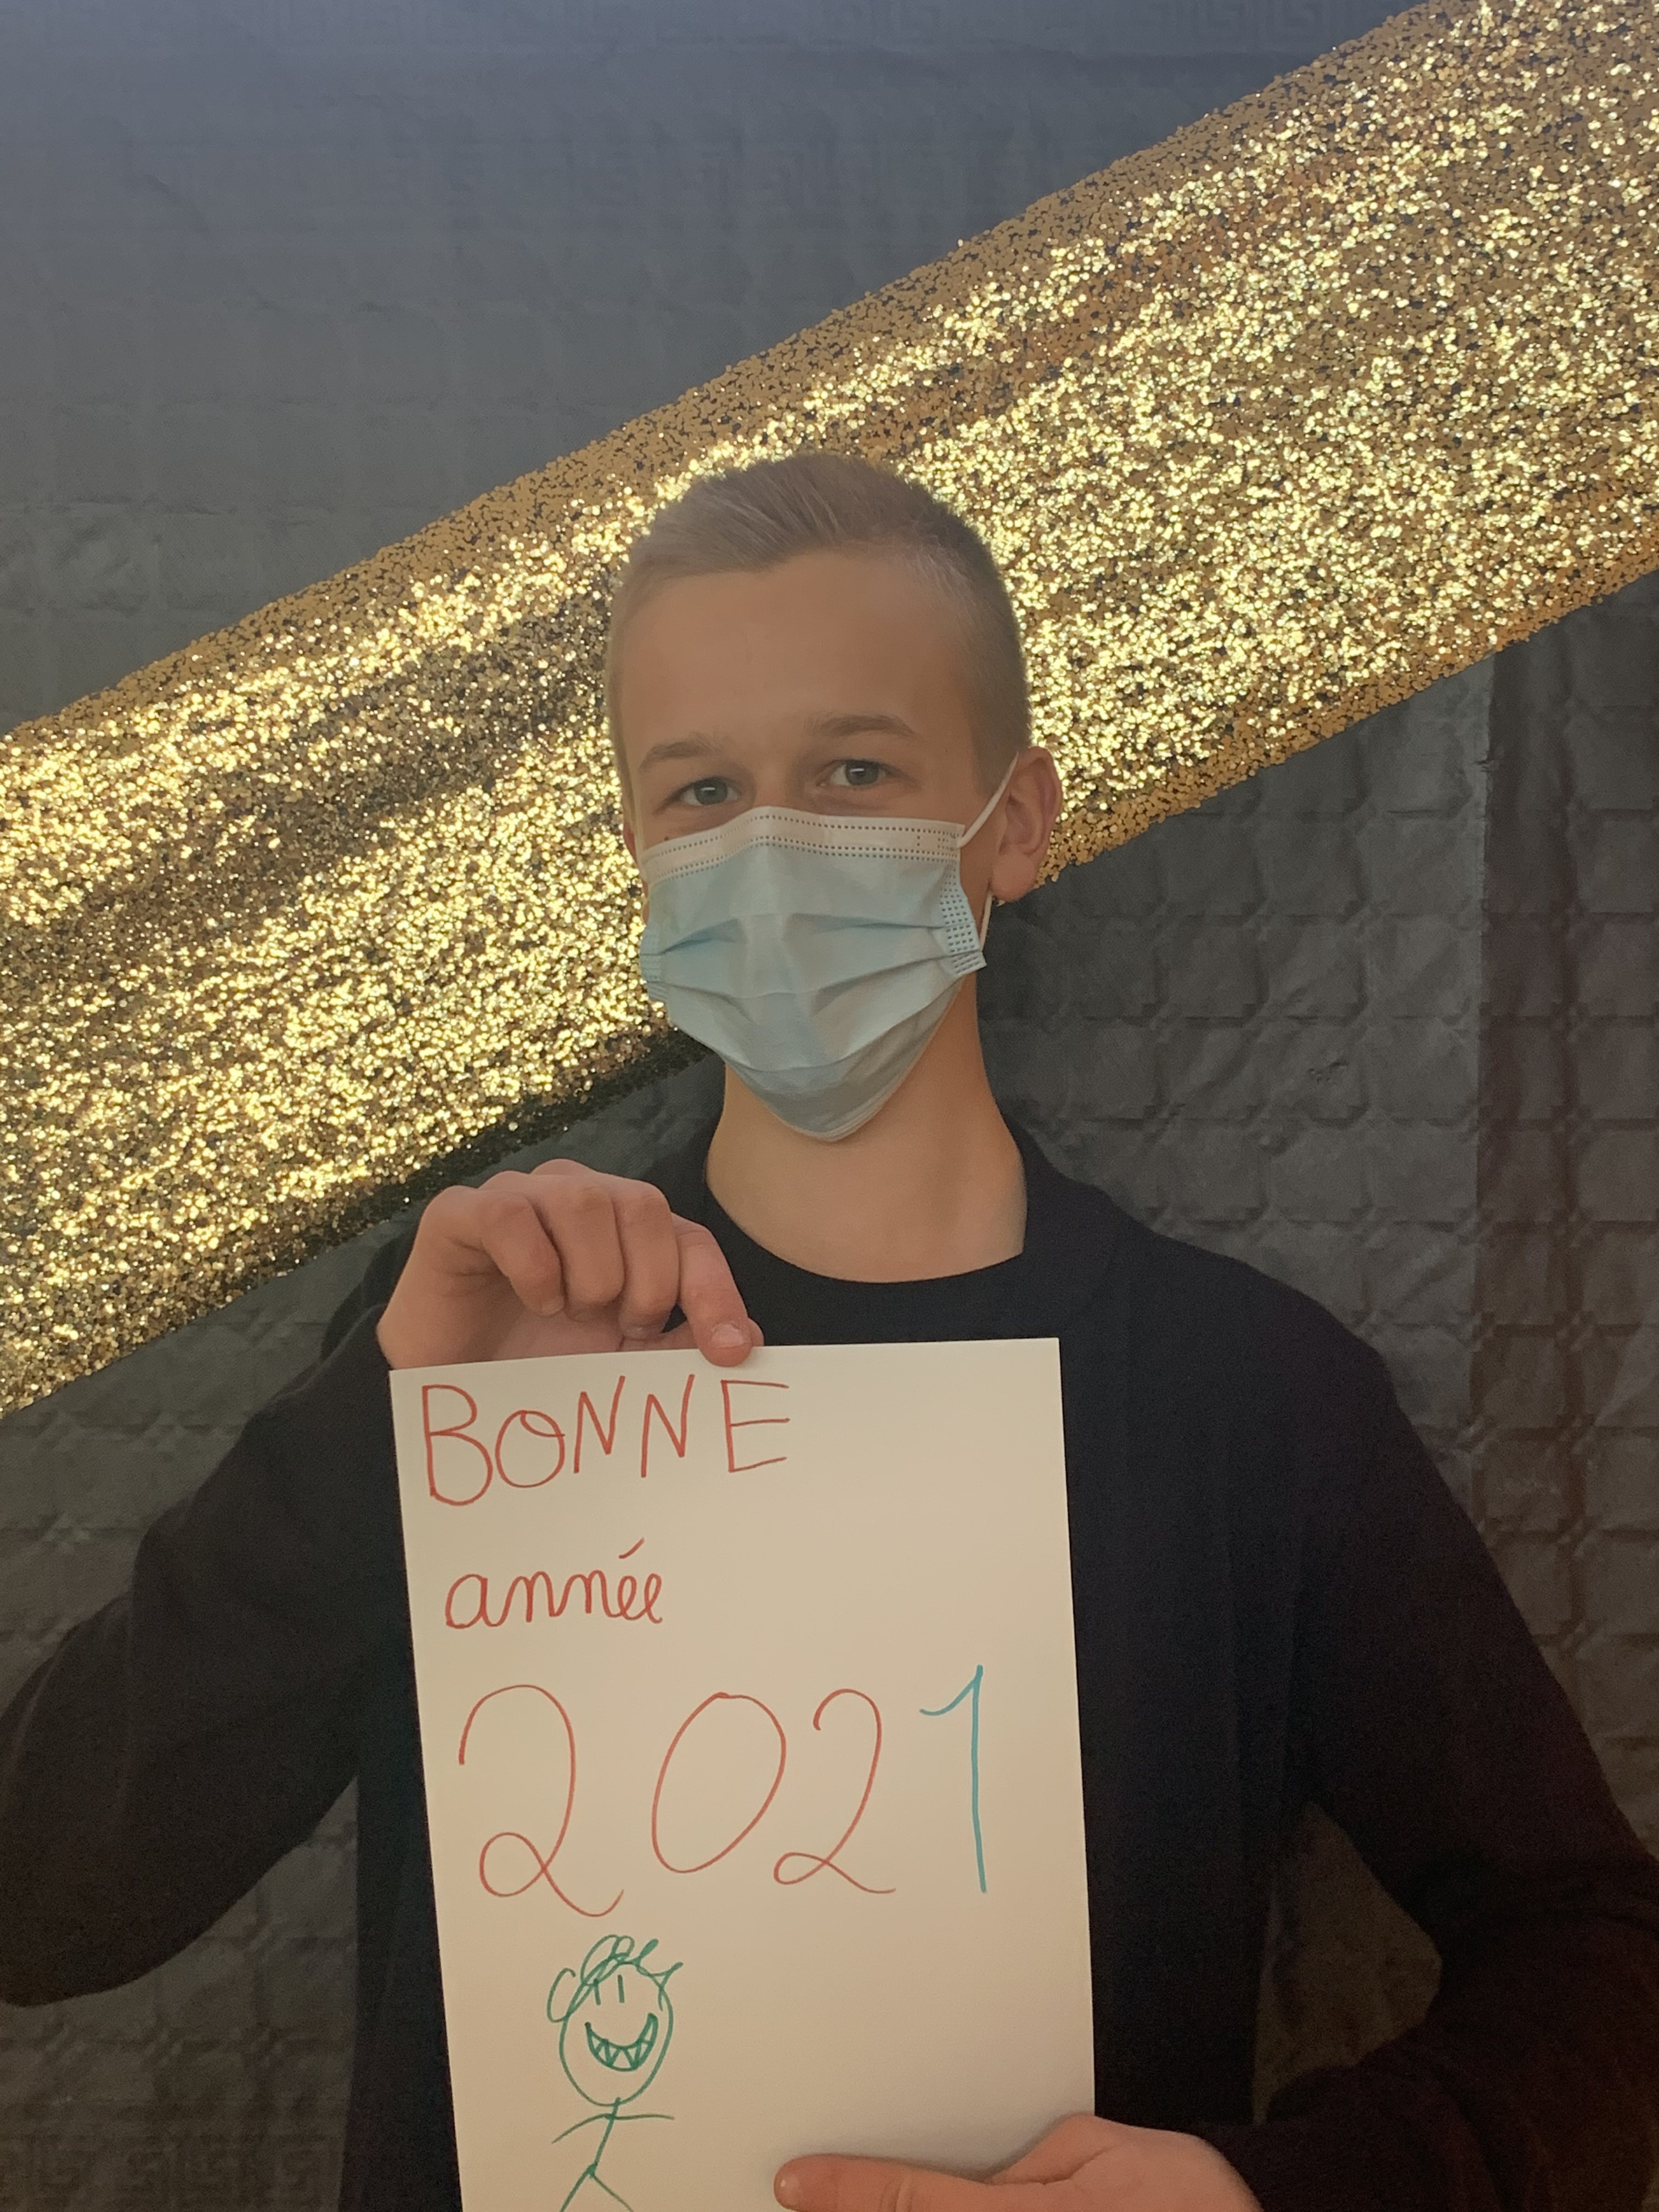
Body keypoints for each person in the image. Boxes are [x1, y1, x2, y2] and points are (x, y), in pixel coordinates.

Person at [1, 450, 1656, 2212]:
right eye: (702, 789)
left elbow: (1604, 1959)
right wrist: (381, 1421)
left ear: (1014, 822)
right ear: (638, 849)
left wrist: (1276, 2197)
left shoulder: (1244, 1401)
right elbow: (43, 1902)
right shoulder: (476, 1345)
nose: (771, 850)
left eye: (854, 772)